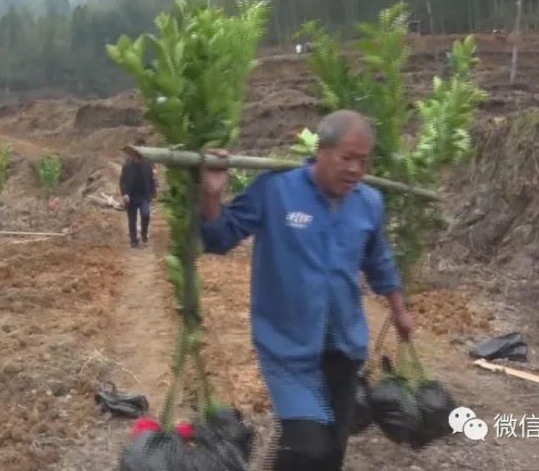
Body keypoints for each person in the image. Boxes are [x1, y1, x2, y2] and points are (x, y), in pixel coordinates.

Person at [199, 109, 414, 471]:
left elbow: (379, 262)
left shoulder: (368, 203)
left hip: (344, 345)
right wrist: (212, 196)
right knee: (308, 448)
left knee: (332, 454)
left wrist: (398, 309)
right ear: (321, 150)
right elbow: (220, 237)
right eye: (346, 158)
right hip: (287, 346)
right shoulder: (277, 189)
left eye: (363, 161)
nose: (355, 170)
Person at [119, 138, 157, 248]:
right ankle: (134, 240)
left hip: (144, 196)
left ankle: (144, 233)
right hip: (131, 197)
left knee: (146, 215)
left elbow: (151, 180)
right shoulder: (127, 165)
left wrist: (153, 194)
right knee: (132, 220)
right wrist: (124, 194)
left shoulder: (148, 164)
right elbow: (122, 181)